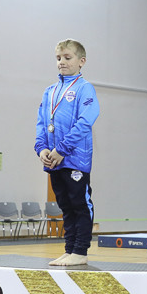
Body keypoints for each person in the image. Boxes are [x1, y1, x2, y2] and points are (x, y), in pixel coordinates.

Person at [35, 38, 100, 267]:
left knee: (79, 204)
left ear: (81, 61)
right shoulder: (50, 91)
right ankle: (69, 249)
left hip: (75, 159)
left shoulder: (85, 88)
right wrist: (41, 148)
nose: (62, 62)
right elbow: (42, 123)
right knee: (65, 206)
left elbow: (85, 122)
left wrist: (62, 149)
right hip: (54, 161)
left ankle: (80, 251)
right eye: (58, 58)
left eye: (67, 57)